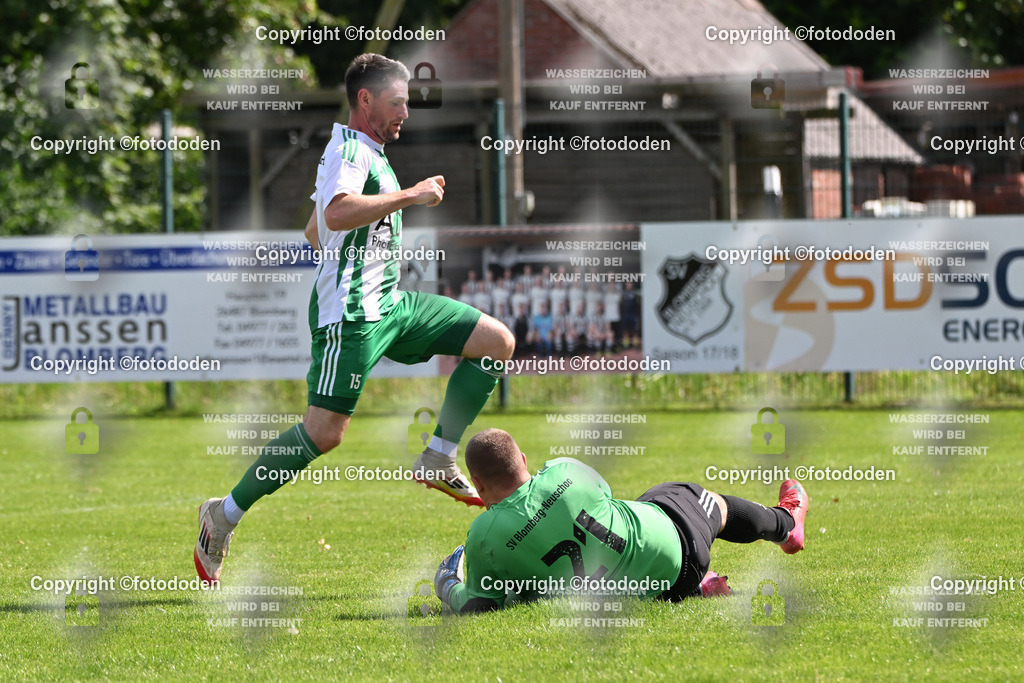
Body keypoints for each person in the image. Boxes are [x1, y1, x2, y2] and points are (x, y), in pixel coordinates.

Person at [194, 54, 515, 584]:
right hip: (350, 316)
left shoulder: (365, 153)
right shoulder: (348, 149)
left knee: (496, 341)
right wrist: (411, 195)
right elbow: (337, 213)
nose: (405, 113)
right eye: (396, 103)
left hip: (391, 304)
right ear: (365, 100)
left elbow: (314, 231)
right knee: (324, 434)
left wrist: (353, 248)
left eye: (406, 104)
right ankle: (222, 514)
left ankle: (438, 456)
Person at [433, 428, 809, 613]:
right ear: (524, 461)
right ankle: (785, 524)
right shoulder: (565, 470)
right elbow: (605, 495)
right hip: (677, 547)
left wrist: (447, 582)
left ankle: (704, 583)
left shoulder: (484, 536)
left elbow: (479, 605)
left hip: (647, 593)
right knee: (693, 498)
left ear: (477, 483)